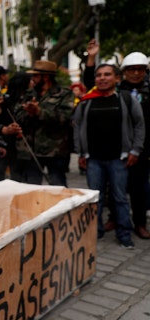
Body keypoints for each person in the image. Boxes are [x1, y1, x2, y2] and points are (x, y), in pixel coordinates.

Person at [84, 41, 150, 239]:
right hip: (117, 149)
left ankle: (139, 223)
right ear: (123, 73)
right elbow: (91, 83)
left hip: (141, 149)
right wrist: (91, 58)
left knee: (139, 187)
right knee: (115, 187)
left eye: (140, 69)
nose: (136, 73)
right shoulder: (117, 91)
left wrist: (138, 150)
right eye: (132, 70)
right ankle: (114, 218)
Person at [74, 64, 145, 249]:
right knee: (95, 199)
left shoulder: (126, 99)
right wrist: (81, 152)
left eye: (107, 74)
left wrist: (135, 150)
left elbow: (139, 125)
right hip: (93, 160)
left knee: (120, 198)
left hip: (118, 159)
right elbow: (78, 126)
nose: (102, 78)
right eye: (99, 75)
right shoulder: (86, 101)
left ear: (116, 78)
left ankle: (124, 234)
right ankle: (94, 232)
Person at [14, 60, 74, 186]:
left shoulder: (64, 94)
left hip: (55, 151)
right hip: (31, 151)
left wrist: (39, 112)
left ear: (46, 77)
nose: (33, 79)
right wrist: (29, 113)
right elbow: (17, 115)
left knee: (58, 188)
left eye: (36, 76)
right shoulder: (29, 94)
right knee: (31, 189)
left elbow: (64, 118)